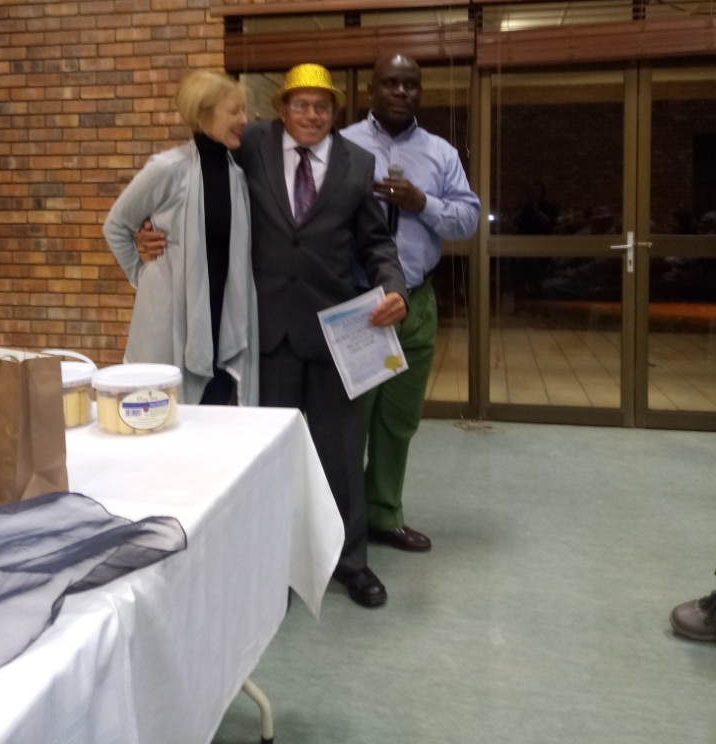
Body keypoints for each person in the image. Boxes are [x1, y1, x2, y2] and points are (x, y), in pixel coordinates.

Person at [139, 64, 407, 609]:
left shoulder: (357, 163)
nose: (311, 115)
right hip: (266, 331)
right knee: (269, 456)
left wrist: (393, 286)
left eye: (322, 107)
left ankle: (351, 563)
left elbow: (376, 242)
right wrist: (151, 230)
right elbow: (196, 177)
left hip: (335, 333)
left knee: (340, 452)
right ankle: (273, 563)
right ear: (281, 109)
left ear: (335, 113)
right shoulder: (252, 143)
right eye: (300, 105)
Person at [342, 54, 480, 553]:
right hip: (361, 305)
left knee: (399, 420)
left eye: (410, 84)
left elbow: (468, 219)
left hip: (417, 304)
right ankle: (342, 526)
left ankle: (384, 513)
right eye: (390, 83)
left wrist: (423, 203)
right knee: (351, 423)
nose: (401, 92)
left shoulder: (441, 153)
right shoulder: (343, 145)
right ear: (371, 90)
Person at [103, 69, 259, 408]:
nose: (244, 120)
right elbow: (116, 225)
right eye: (234, 111)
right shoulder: (167, 169)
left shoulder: (236, 175)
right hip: (169, 325)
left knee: (212, 422)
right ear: (204, 114)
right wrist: (142, 276)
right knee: (163, 422)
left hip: (221, 323)